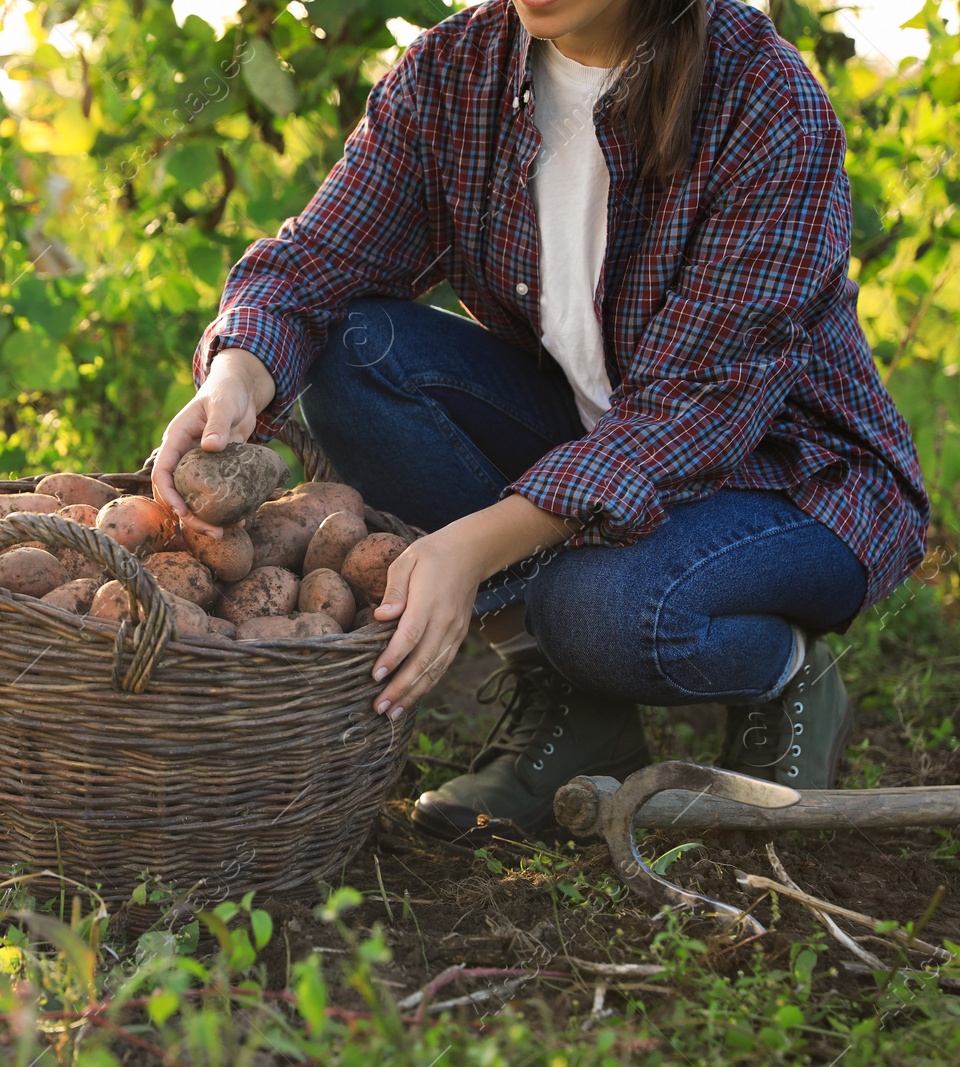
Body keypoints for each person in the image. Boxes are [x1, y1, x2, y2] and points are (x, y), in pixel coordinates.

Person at [151, 0, 928, 846]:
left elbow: (691, 411)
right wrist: (236, 375)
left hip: (796, 480)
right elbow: (314, 265)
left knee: (598, 609)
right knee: (354, 353)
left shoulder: (765, 101)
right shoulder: (459, 72)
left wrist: (475, 545)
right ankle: (576, 703)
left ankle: (785, 675)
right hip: (596, 440)